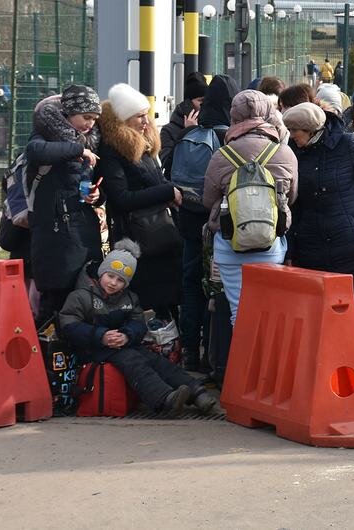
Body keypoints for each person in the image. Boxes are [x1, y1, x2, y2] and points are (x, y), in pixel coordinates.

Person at [58, 240, 217, 417]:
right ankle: (164, 399)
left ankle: (197, 392)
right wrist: (100, 336)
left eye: (120, 280)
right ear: (102, 273)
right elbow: (69, 325)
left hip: (122, 344)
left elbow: (138, 323)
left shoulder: (129, 298)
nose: (113, 283)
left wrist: (126, 336)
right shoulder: (81, 296)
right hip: (92, 347)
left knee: (156, 361)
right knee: (133, 361)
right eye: (110, 276)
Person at [282, 102, 354, 316]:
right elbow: (292, 203)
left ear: (310, 130)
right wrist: (290, 248)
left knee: (349, 311)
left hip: (349, 245)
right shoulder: (293, 152)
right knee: (316, 313)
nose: (291, 136)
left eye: (295, 131)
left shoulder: (346, 145)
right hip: (309, 247)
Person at [202, 90, 298, 324]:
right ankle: (267, 360)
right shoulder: (285, 153)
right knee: (268, 310)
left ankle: (243, 360)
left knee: (239, 312)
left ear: (233, 116)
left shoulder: (222, 155)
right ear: (267, 114)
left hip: (229, 243)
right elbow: (292, 197)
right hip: (270, 243)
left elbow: (208, 200)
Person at [95, 83, 183, 320]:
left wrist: (168, 191)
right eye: (139, 116)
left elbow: (156, 180)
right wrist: (167, 191)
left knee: (168, 297)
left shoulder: (143, 145)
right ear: (124, 120)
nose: (146, 121)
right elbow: (121, 198)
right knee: (147, 299)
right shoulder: (114, 150)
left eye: (147, 114)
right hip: (139, 238)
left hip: (159, 233)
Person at [171, 74, 238, 371]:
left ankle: (188, 350)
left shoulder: (189, 134)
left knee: (189, 284)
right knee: (216, 286)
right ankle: (214, 355)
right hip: (217, 225)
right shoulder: (230, 137)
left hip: (187, 219)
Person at [25, 85, 104, 324]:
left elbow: (87, 182)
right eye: (86, 117)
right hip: (54, 232)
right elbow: (35, 151)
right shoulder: (45, 133)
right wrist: (78, 149)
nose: (90, 124)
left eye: (94, 119)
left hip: (80, 227)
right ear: (69, 113)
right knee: (55, 299)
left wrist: (94, 196)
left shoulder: (92, 140)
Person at [160, 72, 208, 176]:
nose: (204, 105)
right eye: (200, 100)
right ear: (188, 104)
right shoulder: (168, 130)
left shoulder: (209, 125)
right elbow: (167, 164)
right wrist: (189, 133)